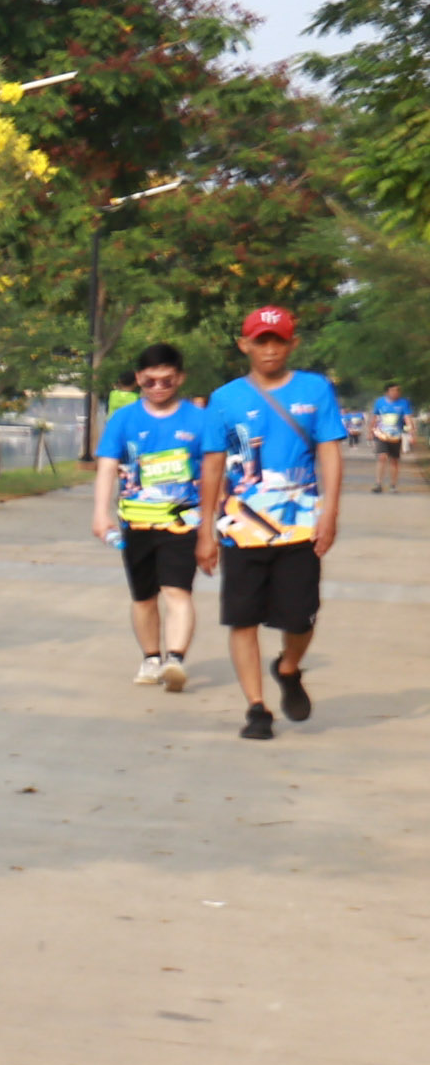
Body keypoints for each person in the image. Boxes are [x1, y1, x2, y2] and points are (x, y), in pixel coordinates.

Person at [198, 306, 347, 741]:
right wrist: (205, 530)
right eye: (260, 341)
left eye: (277, 341)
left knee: (300, 618)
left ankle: (288, 667)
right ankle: (256, 708)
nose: (269, 349)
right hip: (241, 529)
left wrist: (330, 513)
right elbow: (212, 465)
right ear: (244, 345)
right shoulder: (224, 399)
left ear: (292, 344)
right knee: (242, 619)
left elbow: (330, 451)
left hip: (300, 524)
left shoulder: (315, 389)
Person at [90, 342, 214, 694]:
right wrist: (100, 513)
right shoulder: (124, 419)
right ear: (139, 379)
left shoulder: (200, 420)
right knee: (143, 596)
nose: (158, 388)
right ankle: (151, 658)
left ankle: (175, 658)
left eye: (167, 381)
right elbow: (107, 466)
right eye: (150, 381)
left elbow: (213, 472)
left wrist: (213, 522)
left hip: (182, 521)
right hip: (136, 522)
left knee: (177, 590)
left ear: (181, 378)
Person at [372, 382, 412, 493]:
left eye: (398, 390)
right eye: (393, 390)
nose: (396, 392)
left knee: (394, 460)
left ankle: (393, 485)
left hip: (395, 436)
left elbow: (407, 418)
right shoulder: (379, 402)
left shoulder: (403, 403)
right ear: (387, 392)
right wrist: (371, 431)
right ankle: (378, 484)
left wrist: (411, 433)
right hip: (382, 435)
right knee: (382, 457)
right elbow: (375, 417)